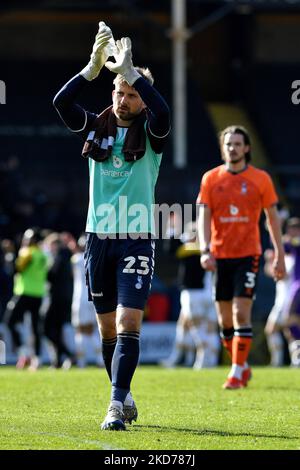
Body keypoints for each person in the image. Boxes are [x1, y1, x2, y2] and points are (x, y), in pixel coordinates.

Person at [53, 22, 170, 429]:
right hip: (99, 240)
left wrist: (135, 71)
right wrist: (90, 69)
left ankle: (115, 406)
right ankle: (126, 394)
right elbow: (60, 104)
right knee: (107, 332)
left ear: (142, 101)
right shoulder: (94, 126)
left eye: (132, 94)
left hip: (136, 239)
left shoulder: (153, 135)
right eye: (119, 91)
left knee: (127, 323)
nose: (123, 100)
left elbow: (165, 111)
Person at [197, 125, 286, 389]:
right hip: (220, 256)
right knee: (225, 320)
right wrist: (205, 249)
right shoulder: (210, 179)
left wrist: (279, 254)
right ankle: (242, 363)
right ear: (223, 148)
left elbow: (272, 220)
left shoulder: (261, 179)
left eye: (237, 144)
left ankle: (236, 371)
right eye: (228, 144)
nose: (232, 148)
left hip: (249, 255)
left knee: (240, 312)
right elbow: (203, 216)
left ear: (246, 148)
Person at [161, 221, 220, 369]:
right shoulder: (210, 248)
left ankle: (203, 358)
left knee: (197, 328)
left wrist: (172, 230)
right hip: (209, 293)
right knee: (185, 326)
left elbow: (170, 250)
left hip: (193, 294)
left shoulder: (190, 249)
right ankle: (179, 358)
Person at [5, 228, 48, 370]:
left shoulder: (26, 253)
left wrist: (10, 254)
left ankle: (23, 353)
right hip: (39, 294)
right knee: (35, 327)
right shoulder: (42, 255)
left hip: (24, 292)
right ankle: (37, 358)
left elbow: (15, 270)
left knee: (9, 321)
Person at [71, 234, 103, 368]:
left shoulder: (76, 259)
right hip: (92, 296)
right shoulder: (95, 258)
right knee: (93, 330)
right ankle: (100, 359)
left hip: (80, 298)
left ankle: (82, 361)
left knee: (80, 331)